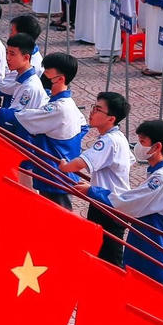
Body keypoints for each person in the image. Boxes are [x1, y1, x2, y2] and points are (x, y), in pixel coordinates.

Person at [79, 119, 163, 285]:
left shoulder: (161, 178)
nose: (138, 146)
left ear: (157, 147)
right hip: (148, 244)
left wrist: (93, 191)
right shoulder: (162, 172)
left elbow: (127, 203)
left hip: (153, 250)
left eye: (143, 142)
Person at [0, 53, 87, 208]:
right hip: (56, 171)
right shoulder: (65, 104)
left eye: (47, 76)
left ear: (60, 79)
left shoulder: (58, 108)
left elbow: (26, 117)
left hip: (55, 175)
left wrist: (0, 113)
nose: (43, 79)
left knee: (59, 218)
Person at [59, 92, 132, 265]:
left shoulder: (108, 141)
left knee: (110, 258)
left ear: (111, 119)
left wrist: (64, 167)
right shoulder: (118, 138)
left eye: (98, 109)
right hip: (106, 200)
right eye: (93, 107)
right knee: (100, 253)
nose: (92, 112)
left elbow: (79, 163)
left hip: (109, 205)